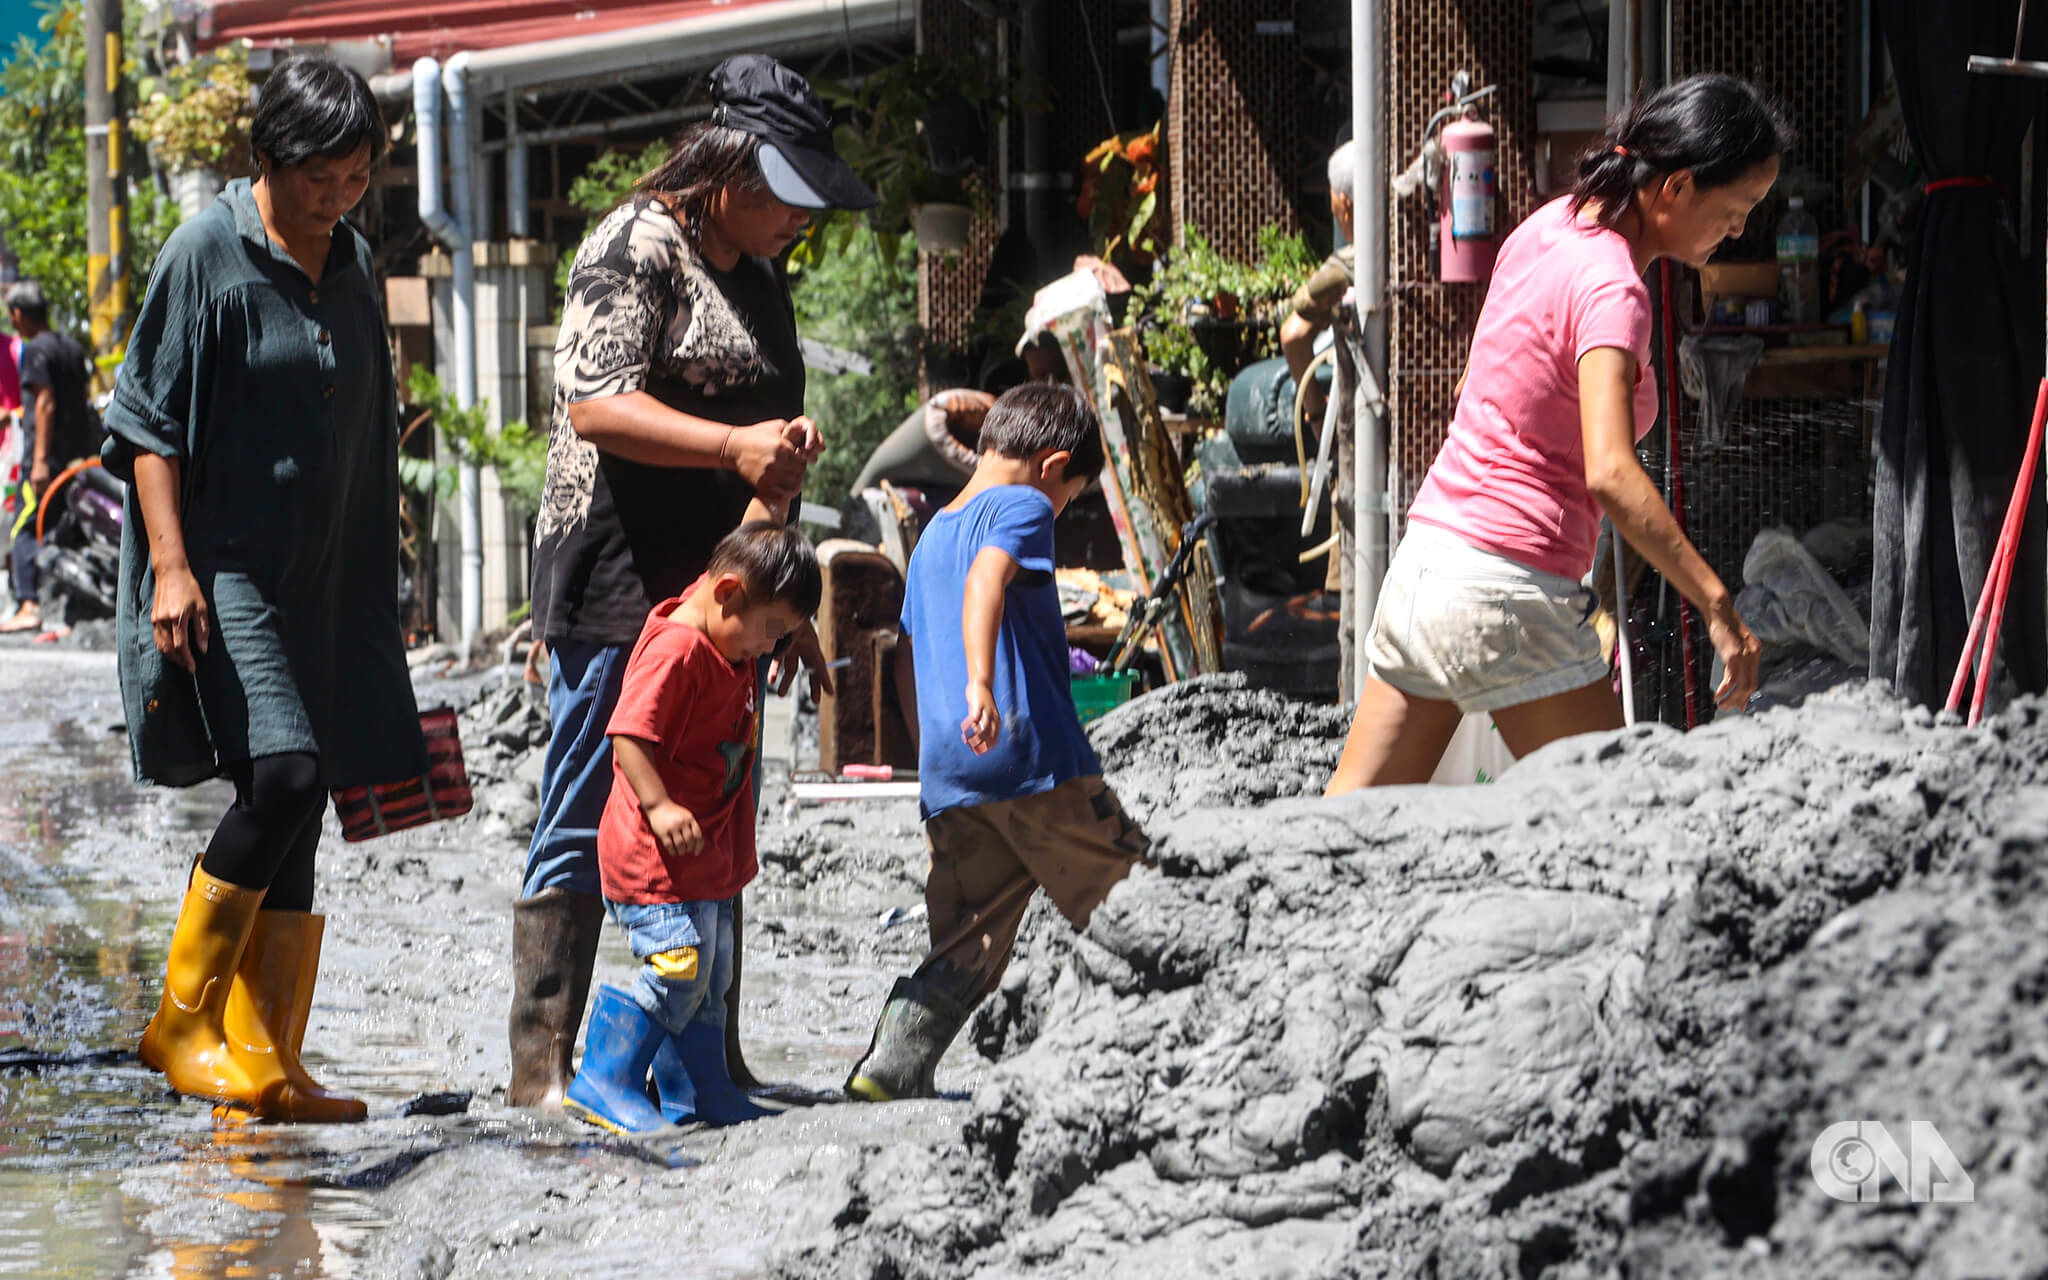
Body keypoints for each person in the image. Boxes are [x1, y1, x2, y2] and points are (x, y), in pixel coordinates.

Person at [511, 53, 872, 1108]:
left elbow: (772, 451)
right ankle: (544, 1071)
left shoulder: (761, 273)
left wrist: (787, 603)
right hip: (618, 572)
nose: (799, 224)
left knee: (712, 805)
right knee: (594, 801)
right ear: (729, 168)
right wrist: (733, 448)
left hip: (729, 594)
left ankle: (699, 1062)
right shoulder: (634, 247)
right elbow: (595, 404)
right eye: (789, 198)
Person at [102, 56, 424, 1123]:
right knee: (281, 776)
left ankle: (267, 1054)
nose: (338, 199)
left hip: (324, 575)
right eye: (320, 179)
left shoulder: (355, 260)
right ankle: (183, 1020)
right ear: (266, 159)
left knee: (307, 800)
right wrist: (173, 565)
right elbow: (145, 418)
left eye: (355, 178)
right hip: (227, 565)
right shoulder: (208, 253)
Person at [1325, 74, 1782, 795]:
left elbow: (1475, 389)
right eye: (1738, 208)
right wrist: (1717, 605)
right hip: (1505, 597)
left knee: (1334, 838)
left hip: (1425, 571)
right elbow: (1611, 470)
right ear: (1678, 188)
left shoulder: (1547, 228)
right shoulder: (1614, 290)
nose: (1740, 231)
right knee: (1618, 828)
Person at [846, 383, 1150, 1101]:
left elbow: (909, 657)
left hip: (954, 777)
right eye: (1071, 495)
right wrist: (983, 686)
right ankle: (1178, 1032)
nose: (1062, 509)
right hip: (1032, 757)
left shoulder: (929, 540)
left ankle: (891, 1065)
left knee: (970, 936)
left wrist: (935, 758)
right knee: (1127, 885)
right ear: (1051, 466)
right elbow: (989, 582)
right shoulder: (1020, 506)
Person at [564, 523, 820, 1133]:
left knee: (713, 976)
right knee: (679, 966)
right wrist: (658, 806)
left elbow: (753, 581)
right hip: (654, 857)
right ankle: (605, 1078)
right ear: (728, 593)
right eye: (769, 632)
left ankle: (697, 1090)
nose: (766, 649)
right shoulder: (678, 650)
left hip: (703, 859)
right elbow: (628, 733)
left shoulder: (727, 638)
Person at [2, 282, 97, 634]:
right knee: (64, 526)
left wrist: (39, 461)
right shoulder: (70, 348)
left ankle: (29, 604)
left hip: (48, 460)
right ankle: (66, 607)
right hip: (75, 457)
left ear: (19, 315)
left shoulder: (36, 351)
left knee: (25, 527)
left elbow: (44, 403)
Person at [1278, 141, 1357, 394]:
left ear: (1345, 206)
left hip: (1361, 412)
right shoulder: (1406, 247)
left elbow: (1293, 335)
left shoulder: (1344, 267)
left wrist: (1315, 412)